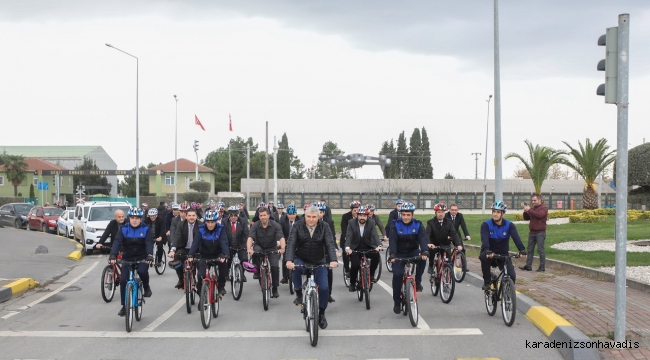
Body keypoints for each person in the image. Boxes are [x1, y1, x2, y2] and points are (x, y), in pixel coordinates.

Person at [286, 205, 338, 330]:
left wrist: (333, 260)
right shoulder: (297, 226)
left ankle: (322, 314)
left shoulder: (324, 227)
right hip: (301, 258)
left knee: (325, 288)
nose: (310, 219)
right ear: (305, 216)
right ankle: (299, 294)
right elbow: (291, 243)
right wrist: (289, 260)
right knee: (296, 269)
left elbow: (330, 244)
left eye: (314, 217)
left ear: (319, 217)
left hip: (319, 260)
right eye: (308, 216)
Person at [109, 207, 154, 317]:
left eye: (137, 218)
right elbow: (117, 242)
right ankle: (124, 306)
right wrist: (113, 254)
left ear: (141, 219)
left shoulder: (146, 229)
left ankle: (147, 287)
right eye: (132, 218)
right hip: (127, 258)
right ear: (129, 218)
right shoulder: (124, 229)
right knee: (123, 281)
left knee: (142, 271)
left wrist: (149, 255)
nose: (134, 220)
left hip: (142, 257)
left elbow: (149, 243)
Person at [388, 202, 428, 314]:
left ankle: (418, 282)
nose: (405, 217)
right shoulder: (395, 224)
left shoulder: (418, 224)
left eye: (408, 215)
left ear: (412, 215)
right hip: (399, 253)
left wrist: (425, 251)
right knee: (397, 275)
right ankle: (396, 301)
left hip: (412, 251)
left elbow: (423, 238)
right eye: (403, 214)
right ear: (400, 214)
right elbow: (393, 240)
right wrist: (392, 255)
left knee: (422, 258)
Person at [480, 201, 527, 290]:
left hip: (503, 254)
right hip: (489, 253)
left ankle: (506, 293)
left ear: (503, 214)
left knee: (511, 276)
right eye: (494, 211)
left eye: (498, 212)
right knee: (484, 259)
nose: (495, 214)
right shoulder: (486, 225)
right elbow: (484, 239)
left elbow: (516, 238)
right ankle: (487, 282)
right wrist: (487, 250)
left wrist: (522, 250)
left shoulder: (509, 225)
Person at [188, 209, 229, 299]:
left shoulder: (221, 229)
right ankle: (201, 296)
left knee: (224, 263)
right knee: (200, 275)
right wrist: (191, 255)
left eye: (212, 222)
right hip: (204, 255)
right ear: (205, 221)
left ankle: (221, 286)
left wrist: (225, 254)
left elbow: (224, 242)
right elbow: (195, 243)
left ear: (216, 221)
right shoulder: (201, 229)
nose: (210, 224)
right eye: (208, 222)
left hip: (218, 254)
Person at [246, 207, 285, 298]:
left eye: (264, 215)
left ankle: (275, 288)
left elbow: (281, 238)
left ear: (268, 215)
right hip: (259, 246)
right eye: (261, 215)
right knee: (255, 253)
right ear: (259, 216)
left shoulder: (275, 225)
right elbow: (250, 237)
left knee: (275, 267)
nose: (263, 217)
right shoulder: (255, 225)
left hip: (272, 248)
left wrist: (282, 248)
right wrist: (249, 248)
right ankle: (257, 270)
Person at [346, 206, 382, 292]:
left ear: (367, 216)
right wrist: (348, 247)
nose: (362, 218)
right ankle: (352, 282)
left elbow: (374, 235)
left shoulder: (371, 223)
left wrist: (379, 245)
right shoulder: (351, 222)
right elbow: (349, 236)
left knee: (376, 255)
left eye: (364, 216)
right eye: (360, 215)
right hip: (356, 248)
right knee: (355, 265)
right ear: (357, 216)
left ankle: (372, 274)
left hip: (368, 246)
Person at [426, 203, 462, 273]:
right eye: (439, 212)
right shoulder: (430, 222)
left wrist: (458, 244)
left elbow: (454, 233)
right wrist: (429, 243)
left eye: (442, 212)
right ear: (435, 213)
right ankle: (430, 266)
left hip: (445, 244)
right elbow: (427, 233)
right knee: (432, 253)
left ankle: (447, 274)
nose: (441, 214)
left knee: (448, 262)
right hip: (434, 244)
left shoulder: (449, 222)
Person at [169, 207, 200, 289]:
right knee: (177, 257)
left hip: (197, 249)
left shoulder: (200, 225)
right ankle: (181, 279)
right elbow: (177, 237)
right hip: (184, 248)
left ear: (196, 216)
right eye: (189, 215)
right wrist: (172, 250)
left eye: (193, 215)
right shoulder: (181, 225)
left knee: (200, 262)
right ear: (186, 217)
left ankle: (198, 280)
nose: (191, 217)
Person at [315, 201, 340, 303]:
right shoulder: (309, 220)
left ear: (324, 213)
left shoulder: (329, 222)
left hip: (326, 249)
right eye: (317, 211)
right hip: (312, 250)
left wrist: (335, 249)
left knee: (329, 271)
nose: (318, 213)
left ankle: (328, 294)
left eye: (321, 212)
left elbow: (332, 237)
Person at [519, 194, 548, 272]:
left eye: (535, 200)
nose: (533, 202)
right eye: (532, 200)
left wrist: (529, 210)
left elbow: (539, 215)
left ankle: (542, 267)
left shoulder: (544, 208)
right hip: (532, 232)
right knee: (530, 250)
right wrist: (525, 212)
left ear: (539, 200)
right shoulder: (532, 209)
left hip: (540, 232)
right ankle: (528, 266)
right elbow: (526, 218)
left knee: (540, 250)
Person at [224, 205, 250, 282]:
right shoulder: (224, 221)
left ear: (238, 215)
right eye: (231, 215)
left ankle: (242, 274)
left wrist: (248, 245)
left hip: (240, 244)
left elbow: (246, 234)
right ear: (229, 215)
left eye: (235, 215)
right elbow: (223, 235)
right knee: (227, 260)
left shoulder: (243, 221)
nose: (233, 217)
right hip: (229, 245)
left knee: (244, 259)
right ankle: (226, 273)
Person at [279, 204, 301, 284]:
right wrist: (281, 242)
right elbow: (280, 231)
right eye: (289, 214)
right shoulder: (282, 219)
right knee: (285, 257)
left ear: (296, 214)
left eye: (293, 214)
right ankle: (285, 276)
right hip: (286, 240)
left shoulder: (300, 220)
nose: (291, 216)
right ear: (286, 214)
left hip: (298, 241)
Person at [340, 201, 360, 275]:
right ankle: (347, 269)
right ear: (351, 210)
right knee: (346, 253)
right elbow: (344, 229)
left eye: (357, 210)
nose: (356, 212)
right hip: (346, 239)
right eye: (354, 210)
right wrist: (347, 239)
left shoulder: (361, 216)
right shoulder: (345, 217)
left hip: (357, 240)